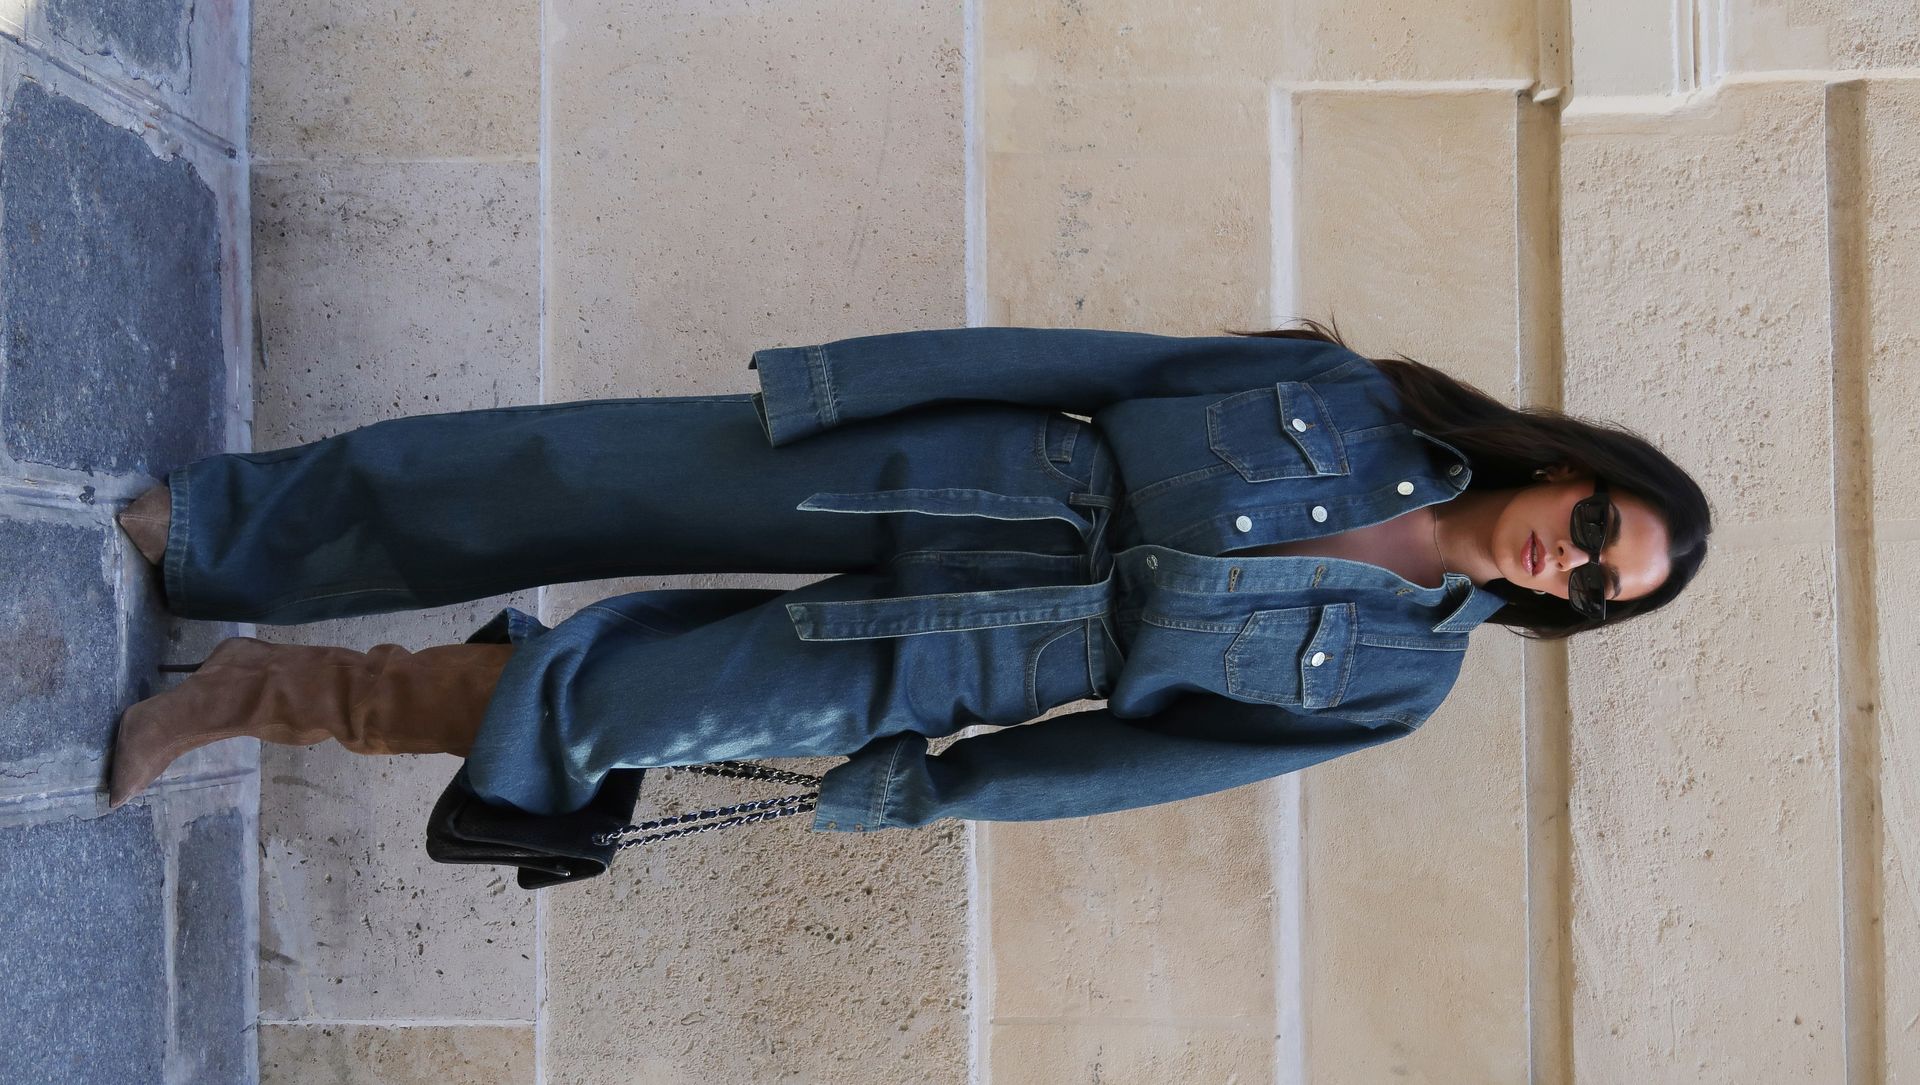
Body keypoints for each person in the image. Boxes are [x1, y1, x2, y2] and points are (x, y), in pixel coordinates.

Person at [106, 322, 1711, 832]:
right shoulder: (1354, 391)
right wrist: (858, 380)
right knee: (568, 471)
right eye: (1594, 532)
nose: (1562, 564)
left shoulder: (1403, 677)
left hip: (975, 657)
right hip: (961, 463)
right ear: (1574, 470)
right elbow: (1096, 359)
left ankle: (259, 693)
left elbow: (1144, 759)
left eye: (1591, 591)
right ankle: (232, 528)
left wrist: (944, 792)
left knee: (621, 717)